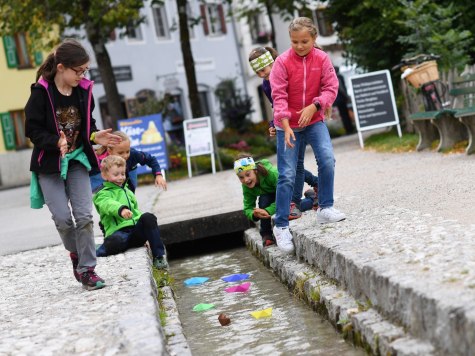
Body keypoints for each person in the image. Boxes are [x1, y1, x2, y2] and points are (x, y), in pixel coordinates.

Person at [25, 39, 122, 290]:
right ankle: (76, 254)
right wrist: (54, 142)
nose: (82, 75)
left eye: (85, 71)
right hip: (50, 164)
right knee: (62, 220)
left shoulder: (83, 91)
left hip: (77, 159)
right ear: (61, 68)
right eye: (78, 71)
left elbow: (87, 123)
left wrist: (94, 136)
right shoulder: (40, 92)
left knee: (84, 217)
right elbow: (32, 129)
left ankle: (88, 269)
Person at [269, 17, 346, 253]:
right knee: (288, 174)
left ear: (314, 39)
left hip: (313, 120)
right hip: (287, 125)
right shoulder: (281, 63)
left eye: (304, 41)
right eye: (295, 42)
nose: (300, 46)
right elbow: (278, 96)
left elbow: (331, 88)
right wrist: (285, 124)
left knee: (327, 160)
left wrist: (316, 105)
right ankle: (280, 225)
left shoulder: (322, 59)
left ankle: (325, 208)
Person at [248, 46, 319, 217]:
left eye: (263, 69)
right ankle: (313, 189)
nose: (261, 74)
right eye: (257, 72)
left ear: (273, 63)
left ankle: (309, 191)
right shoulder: (266, 84)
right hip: (285, 125)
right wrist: (274, 124)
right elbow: (276, 104)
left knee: (294, 165)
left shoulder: (286, 73)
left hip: (302, 118)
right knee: (291, 165)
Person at [93, 155, 168, 269]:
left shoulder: (127, 191)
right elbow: (107, 204)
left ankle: (159, 257)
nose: (120, 177)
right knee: (115, 241)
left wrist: (145, 233)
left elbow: (136, 211)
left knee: (148, 217)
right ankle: (99, 250)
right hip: (118, 233)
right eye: (116, 174)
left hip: (134, 232)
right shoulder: (102, 193)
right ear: (104, 175)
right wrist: (121, 209)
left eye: (122, 174)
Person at [234, 154, 316, 248]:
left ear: (255, 171)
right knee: (263, 200)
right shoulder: (246, 186)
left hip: (288, 191)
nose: (246, 180)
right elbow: (247, 208)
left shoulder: (272, 173)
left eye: (248, 174)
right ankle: (266, 235)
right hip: (273, 194)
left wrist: (268, 210)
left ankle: (312, 199)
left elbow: (285, 198)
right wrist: (254, 214)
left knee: (291, 207)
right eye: (241, 177)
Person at [89, 131, 167, 193]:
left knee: (128, 200)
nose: (125, 155)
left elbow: (151, 159)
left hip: (129, 181)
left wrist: (158, 175)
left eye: (127, 151)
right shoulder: (99, 160)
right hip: (106, 187)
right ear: (109, 150)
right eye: (120, 153)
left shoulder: (133, 155)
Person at [334, 66, 355, 135]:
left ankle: (348, 129)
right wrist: (346, 96)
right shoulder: (339, 77)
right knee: (345, 114)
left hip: (338, 99)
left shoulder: (334, 77)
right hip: (342, 98)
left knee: (343, 115)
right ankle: (350, 129)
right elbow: (342, 88)